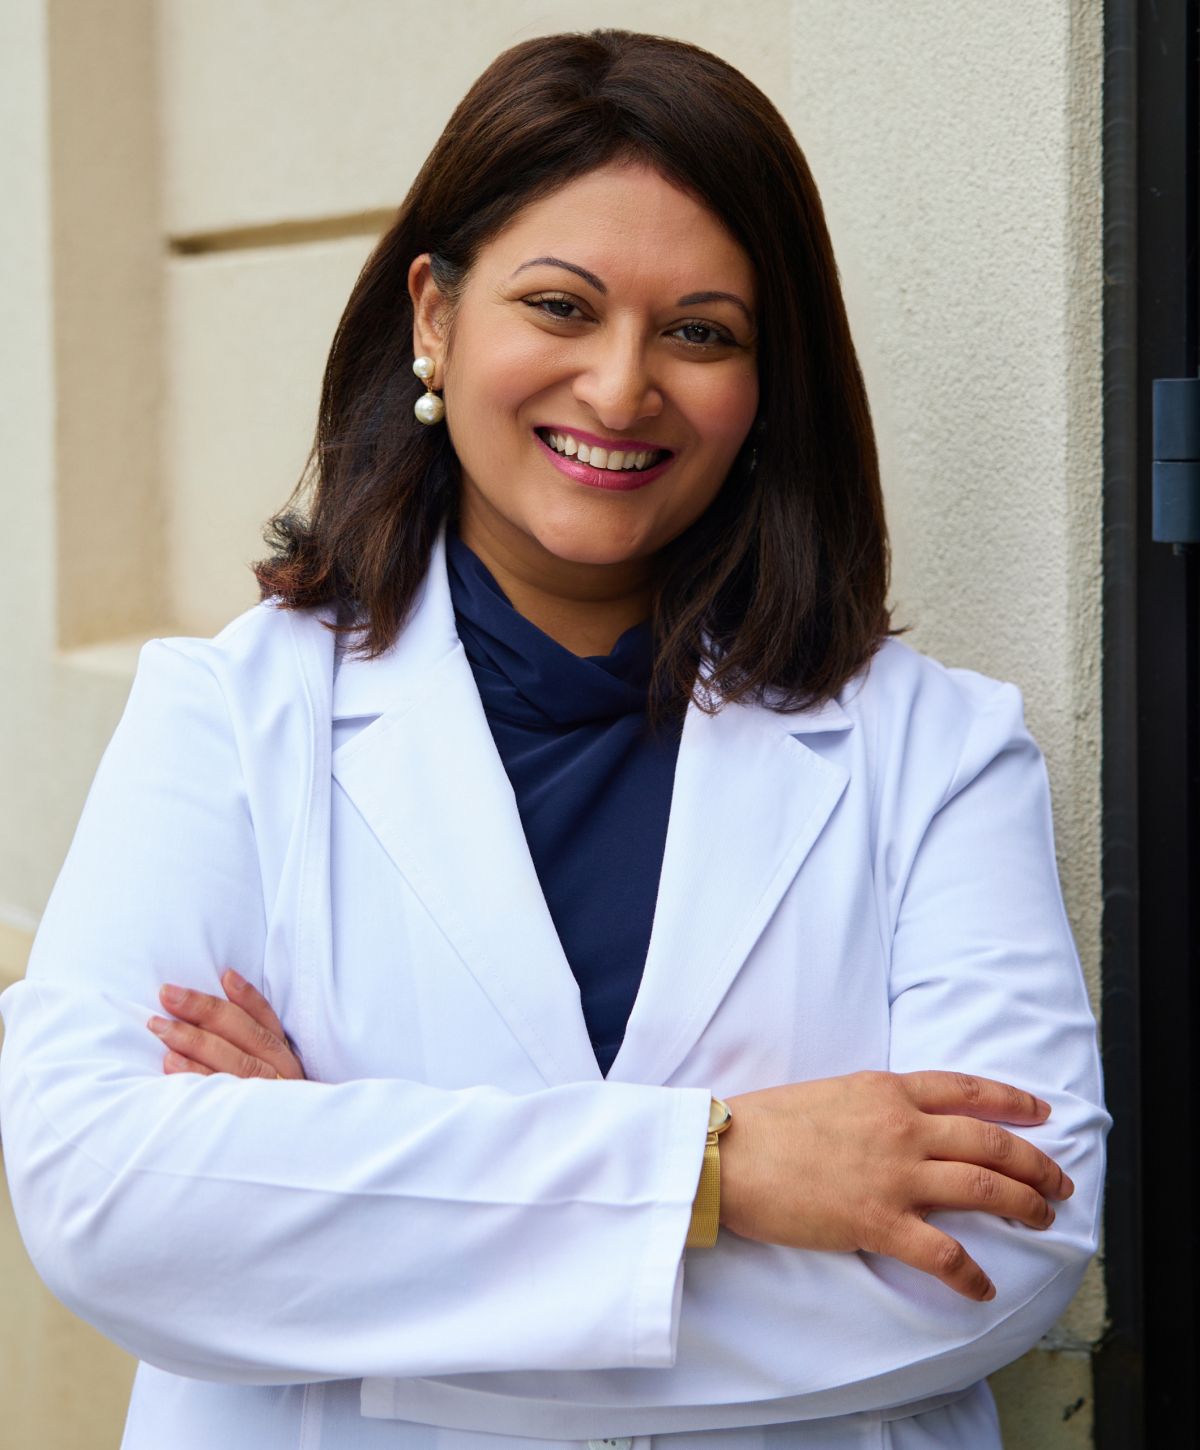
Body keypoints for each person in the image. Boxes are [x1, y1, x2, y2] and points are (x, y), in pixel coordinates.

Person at [0, 28, 1107, 1450]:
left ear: (768, 381)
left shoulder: (938, 752)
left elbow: (1004, 1244)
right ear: (436, 316)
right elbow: (104, 1197)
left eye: (701, 331)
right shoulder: (228, 717)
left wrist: (336, 1213)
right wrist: (722, 1169)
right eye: (561, 306)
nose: (621, 387)